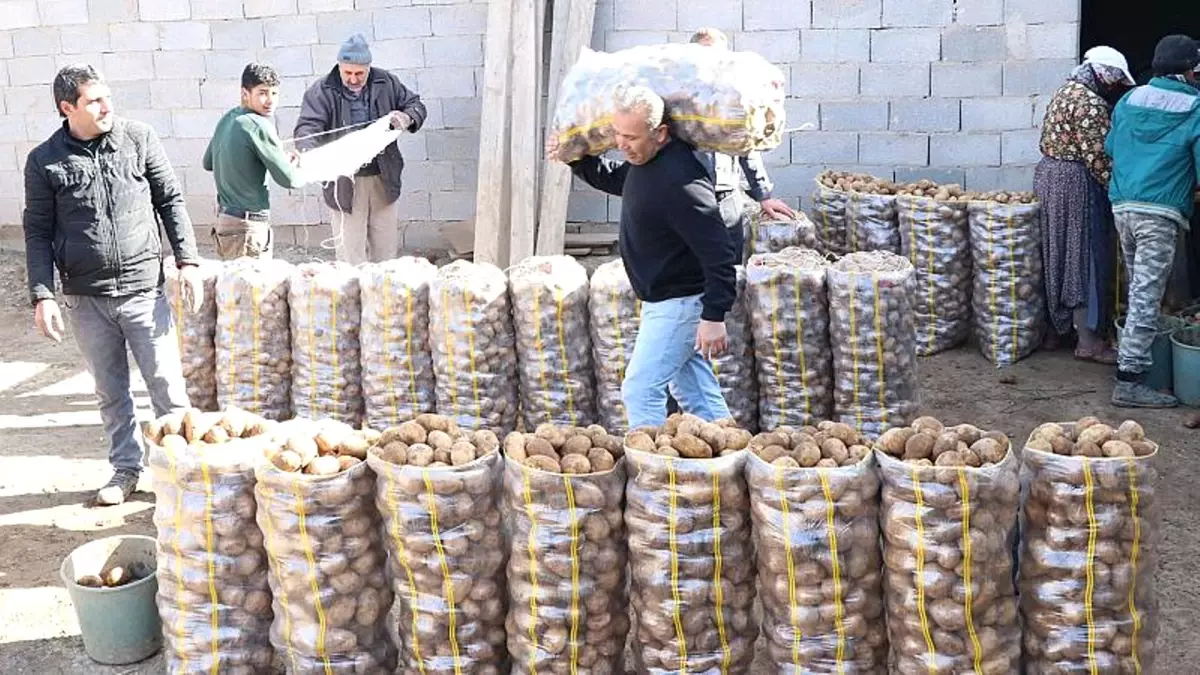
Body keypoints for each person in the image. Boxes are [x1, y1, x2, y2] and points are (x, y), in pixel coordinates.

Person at [23, 64, 204, 505]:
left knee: (166, 386)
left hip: (144, 289)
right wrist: (42, 294)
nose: (107, 107)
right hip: (87, 298)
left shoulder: (138, 139)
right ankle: (126, 468)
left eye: (107, 96)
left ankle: (181, 473)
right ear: (68, 108)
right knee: (111, 390)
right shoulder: (44, 160)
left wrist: (188, 261)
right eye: (94, 101)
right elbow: (38, 231)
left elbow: (170, 200)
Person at [549, 85, 738, 430]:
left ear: (660, 133)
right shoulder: (647, 161)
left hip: (680, 303)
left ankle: (654, 473)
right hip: (664, 299)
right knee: (695, 392)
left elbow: (719, 251)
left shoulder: (682, 182)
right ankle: (727, 459)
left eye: (631, 137)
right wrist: (576, 158)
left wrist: (714, 314)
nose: (622, 144)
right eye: (618, 135)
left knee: (640, 390)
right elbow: (621, 180)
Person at [1105, 34, 1200, 408]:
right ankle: (1129, 380)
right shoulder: (1195, 106)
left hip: (1123, 207)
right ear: (1188, 70)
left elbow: (1112, 147)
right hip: (1158, 211)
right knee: (1147, 296)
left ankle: (1137, 361)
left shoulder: (1130, 99)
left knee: (1138, 291)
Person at [1035, 46, 1135, 363]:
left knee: (1056, 253)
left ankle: (1056, 330)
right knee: (1084, 257)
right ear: (1105, 74)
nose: (1115, 86)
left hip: (1049, 177)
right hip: (1077, 183)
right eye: (1116, 80)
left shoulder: (1065, 91)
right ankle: (1089, 340)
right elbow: (1098, 157)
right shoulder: (1090, 102)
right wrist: (1120, 189)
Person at [294, 34, 427, 264]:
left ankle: (383, 296)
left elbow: (416, 105)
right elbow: (307, 128)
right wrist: (310, 156)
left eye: (359, 74)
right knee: (350, 255)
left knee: (385, 253)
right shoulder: (322, 90)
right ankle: (353, 297)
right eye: (348, 73)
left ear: (368, 68)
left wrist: (407, 117)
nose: (353, 79)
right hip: (344, 183)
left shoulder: (386, 82)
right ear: (340, 67)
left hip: (383, 178)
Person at [689, 27, 797, 259]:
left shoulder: (734, 97)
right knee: (690, 262)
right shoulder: (678, 98)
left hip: (726, 193)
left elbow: (746, 146)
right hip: (688, 194)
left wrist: (763, 195)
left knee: (731, 260)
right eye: (705, 53)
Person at [203, 63, 306, 260]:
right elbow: (289, 180)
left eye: (275, 93)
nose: (270, 101)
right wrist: (305, 168)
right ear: (245, 93)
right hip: (248, 228)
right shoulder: (258, 125)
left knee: (230, 289)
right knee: (254, 290)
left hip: (225, 223)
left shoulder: (228, 118)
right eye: (262, 93)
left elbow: (208, 162)